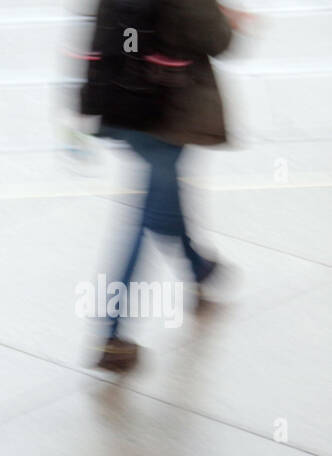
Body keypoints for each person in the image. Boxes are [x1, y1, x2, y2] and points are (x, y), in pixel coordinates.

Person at [86, 0, 247, 372]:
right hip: (164, 113)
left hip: (119, 103)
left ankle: (199, 270)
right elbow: (216, 39)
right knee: (147, 218)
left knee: (166, 197)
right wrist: (229, 19)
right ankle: (112, 334)